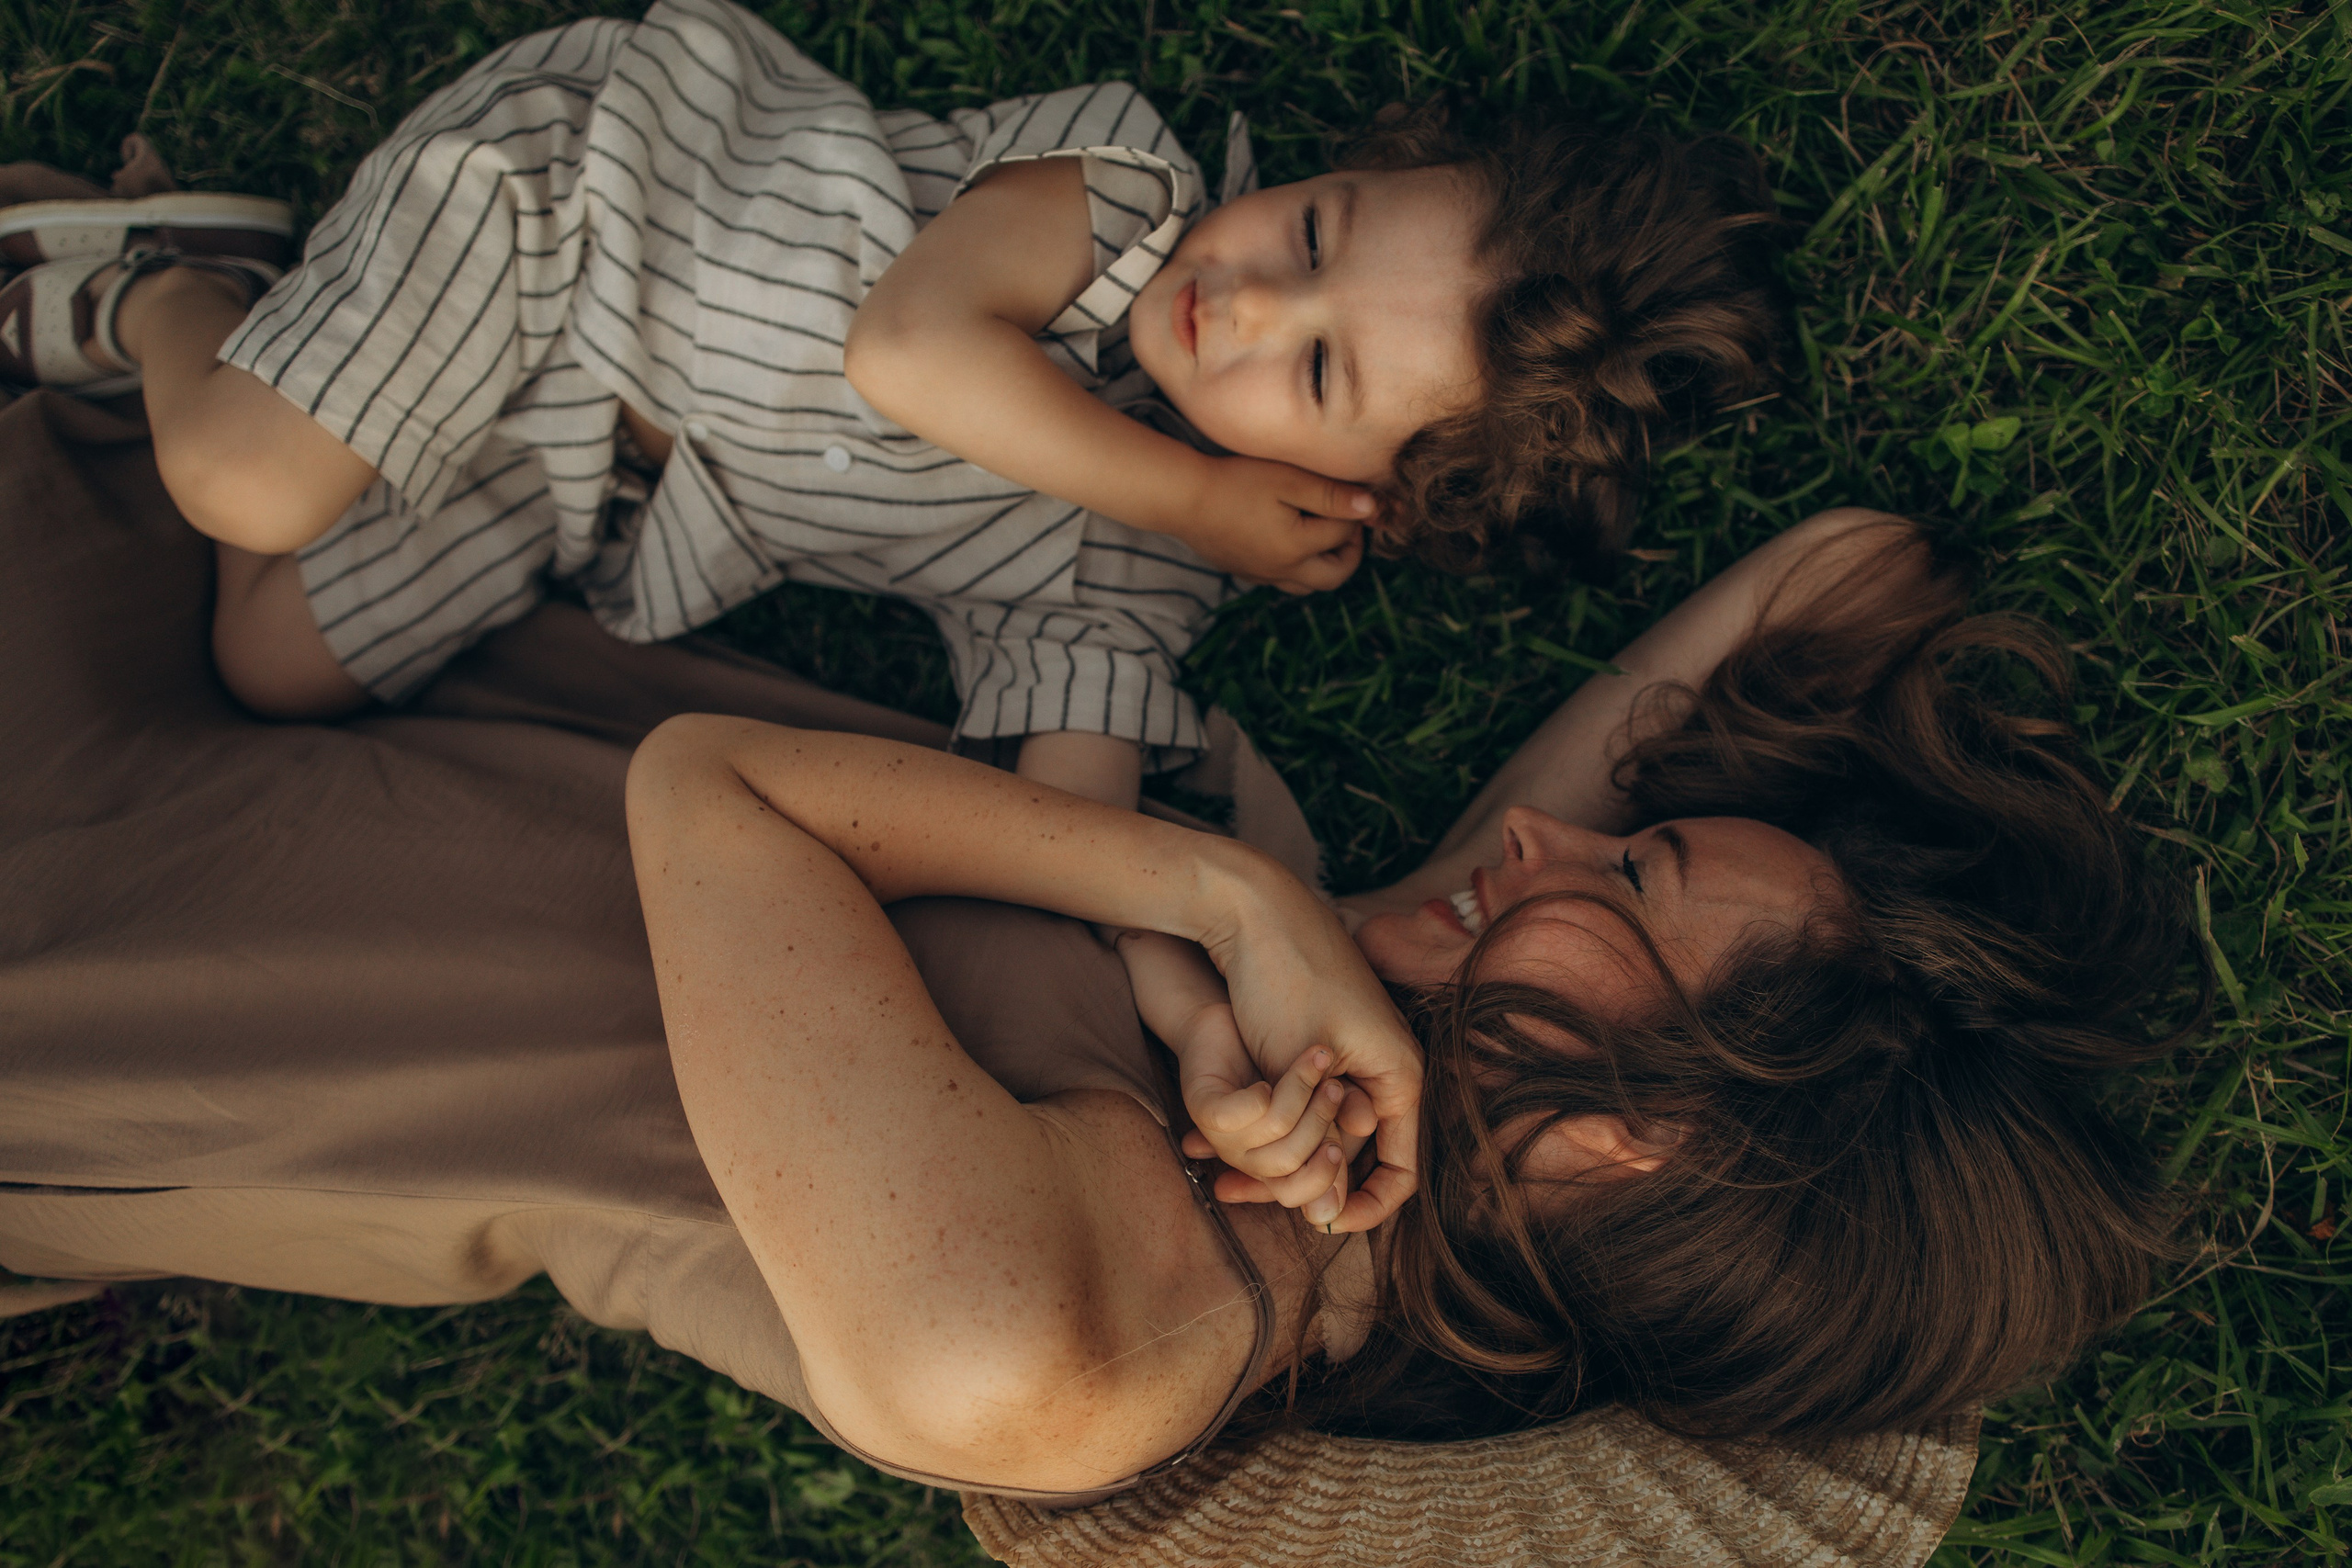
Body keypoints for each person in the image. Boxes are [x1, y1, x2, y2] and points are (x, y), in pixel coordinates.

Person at [620, 507, 2200, 1494]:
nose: (1540, 838)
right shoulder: (1386, 1008)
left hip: (417, 947)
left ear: (1628, 1136)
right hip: (531, 719)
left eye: (1630, 872)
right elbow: (1845, 570)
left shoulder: (1061, 1348)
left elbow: (704, 793)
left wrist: (1229, 896)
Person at [0, 0, 1781, 809]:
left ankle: (230, 294)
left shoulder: (1130, 579)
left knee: (275, 660)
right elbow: (909, 352)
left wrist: (1177, 951)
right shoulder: (1124, 195)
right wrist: (1182, 491)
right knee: (245, 480)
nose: (1242, 296)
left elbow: (1053, 798)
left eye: (1310, 369)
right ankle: (167, 287)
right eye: (1309, 229)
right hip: (581, 201)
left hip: (581, 469)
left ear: (1369, 501)